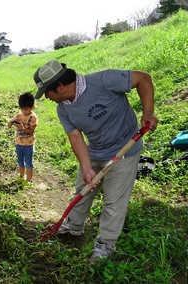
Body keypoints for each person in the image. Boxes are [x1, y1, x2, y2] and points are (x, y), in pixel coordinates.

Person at [33, 60, 158, 264]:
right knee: (83, 188)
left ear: (60, 87)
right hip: (96, 150)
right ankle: (73, 225)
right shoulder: (63, 108)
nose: (47, 98)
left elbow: (143, 78)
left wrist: (148, 113)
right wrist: (87, 167)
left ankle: (106, 245)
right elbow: (75, 137)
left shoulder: (104, 80)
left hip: (125, 148)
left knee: (113, 201)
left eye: (47, 92)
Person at [7, 92, 38, 182]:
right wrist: (12, 121)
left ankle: (28, 180)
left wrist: (22, 128)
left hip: (29, 144)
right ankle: (21, 177)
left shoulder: (33, 117)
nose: (24, 111)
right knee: (20, 162)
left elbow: (31, 131)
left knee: (29, 163)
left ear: (32, 107)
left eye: (26, 109)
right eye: (22, 109)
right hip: (19, 143)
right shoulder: (19, 115)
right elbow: (8, 125)